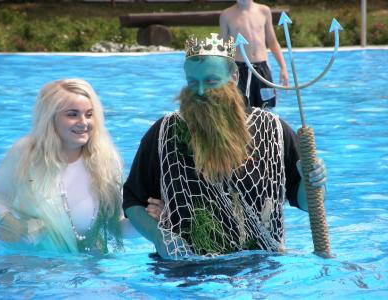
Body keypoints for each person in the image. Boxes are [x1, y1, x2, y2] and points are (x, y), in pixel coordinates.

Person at [123, 34, 327, 260]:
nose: (200, 91)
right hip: (185, 269)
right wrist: (160, 238)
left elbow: (307, 204)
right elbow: (132, 201)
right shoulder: (164, 132)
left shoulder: (273, 131)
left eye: (211, 82)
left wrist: (314, 182)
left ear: (233, 78)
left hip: (259, 269)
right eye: (192, 83)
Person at [0, 78, 128, 254]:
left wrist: (152, 221)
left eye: (89, 114)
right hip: (26, 259)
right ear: (49, 118)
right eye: (72, 114)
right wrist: (13, 223)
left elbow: (118, 226)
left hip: (80, 263)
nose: (83, 122)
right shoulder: (26, 153)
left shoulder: (106, 161)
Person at [220, 0, 289, 109]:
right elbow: (222, 46)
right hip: (239, 70)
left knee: (267, 109)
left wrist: (283, 67)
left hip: (262, 70)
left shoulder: (264, 11)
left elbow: (272, 41)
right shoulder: (226, 15)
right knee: (241, 109)